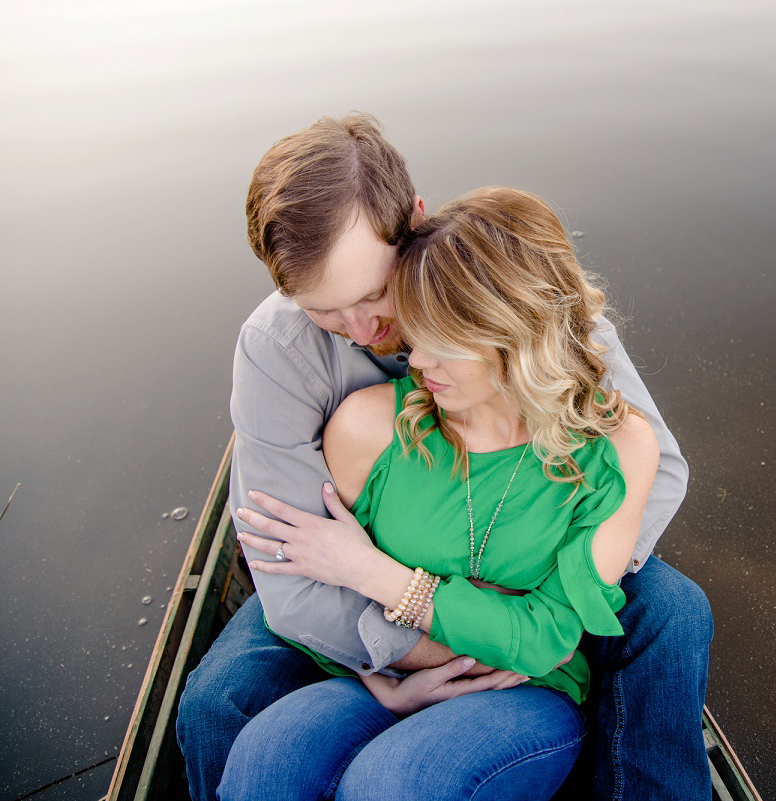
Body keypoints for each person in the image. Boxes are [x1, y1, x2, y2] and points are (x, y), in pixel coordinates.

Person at [175, 114, 713, 800]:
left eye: (373, 293)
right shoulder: (279, 352)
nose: (367, 331)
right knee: (219, 706)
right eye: (327, 313)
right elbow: (291, 554)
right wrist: (409, 649)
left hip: (530, 560)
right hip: (357, 572)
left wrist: (553, 590)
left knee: (672, 609)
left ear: (414, 221)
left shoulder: (519, 299)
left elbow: (655, 469)